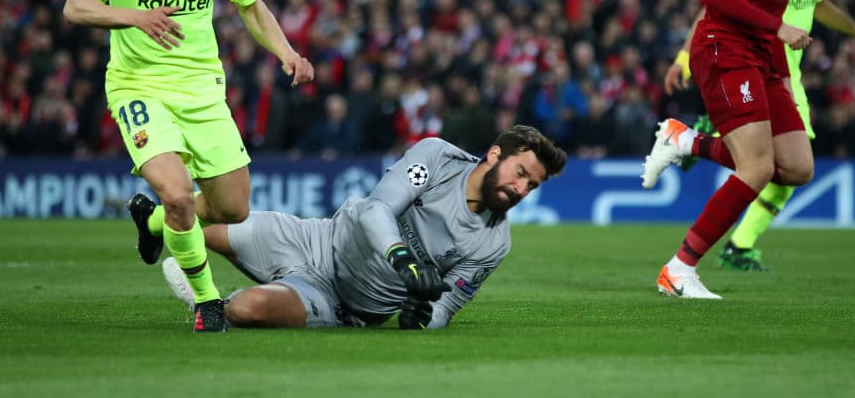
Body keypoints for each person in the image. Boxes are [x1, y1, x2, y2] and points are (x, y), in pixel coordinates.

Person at [62, 0, 315, 331]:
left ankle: (153, 222)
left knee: (233, 208)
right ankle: (207, 302)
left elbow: (250, 4)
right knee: (178, 194)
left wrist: (286, 52)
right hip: (139, 88)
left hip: (203, 89)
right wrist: (135, 17)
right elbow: (76, 7)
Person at [661, 0, 855, 272]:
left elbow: (818, 4)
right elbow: (714, 5)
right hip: (752, 64)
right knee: (766, 166)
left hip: (786, 73)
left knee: (794, 169)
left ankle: (693, 142)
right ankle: (721, 251)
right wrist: (683, 58)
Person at [639, 0, 817, 299]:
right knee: (756, 168)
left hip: (763, 58)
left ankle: (686, 141)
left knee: (797, 168)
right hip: (724, 47)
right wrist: (779, 30)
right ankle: (679, 269)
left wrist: (776, 53)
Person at [161, 125, 566, 330]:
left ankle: (207, 303)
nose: (521, 189)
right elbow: (376, 210)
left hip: (343, 300)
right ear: (495, 154)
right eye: (520, 173)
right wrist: (405, 259)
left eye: (531, 185)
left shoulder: (494, 243)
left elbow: (447, 308)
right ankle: (151, 223)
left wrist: (420, 317)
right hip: (318, 239)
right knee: (203, 226)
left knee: (249, 309)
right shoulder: (438, 156)